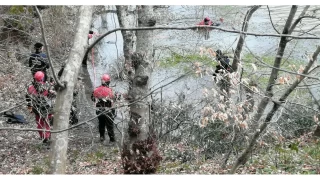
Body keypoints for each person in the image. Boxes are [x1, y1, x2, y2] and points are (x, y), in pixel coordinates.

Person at [26, 71, 56, 145]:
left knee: (41, 124)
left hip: (40, 109)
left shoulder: (31, 88)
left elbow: (28, 99)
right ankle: (46, 137)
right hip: (43, 109)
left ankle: (45, 138)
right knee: (44, 124)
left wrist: (30, 109)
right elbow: (51, 97)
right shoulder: (46, 87)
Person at [91, 74, 116, 143]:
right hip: (108, 111)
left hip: (99, 110)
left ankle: (102, 137)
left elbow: (92, 98)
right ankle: (112, 140)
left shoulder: (96, 90)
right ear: (108, 82)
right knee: (110, 126)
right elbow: (115, 99)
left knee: (101, 124)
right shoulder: (111, 91)